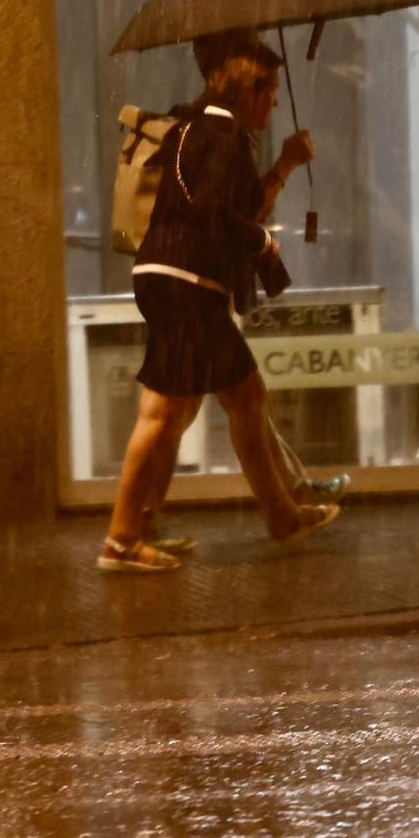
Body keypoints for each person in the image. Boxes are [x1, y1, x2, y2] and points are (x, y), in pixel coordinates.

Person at [99, 28, 342, 572]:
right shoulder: (224, 135)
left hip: (173, 280)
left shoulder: (194, 127)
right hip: (188, 285)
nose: (275, 99)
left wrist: (282, 165)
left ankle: (258, 515)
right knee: (170, 411)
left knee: (225, 400)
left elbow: (234, 201)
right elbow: (214, 212)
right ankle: (120, 541)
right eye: (269, 88)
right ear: (245, 89)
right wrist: (259, 240)